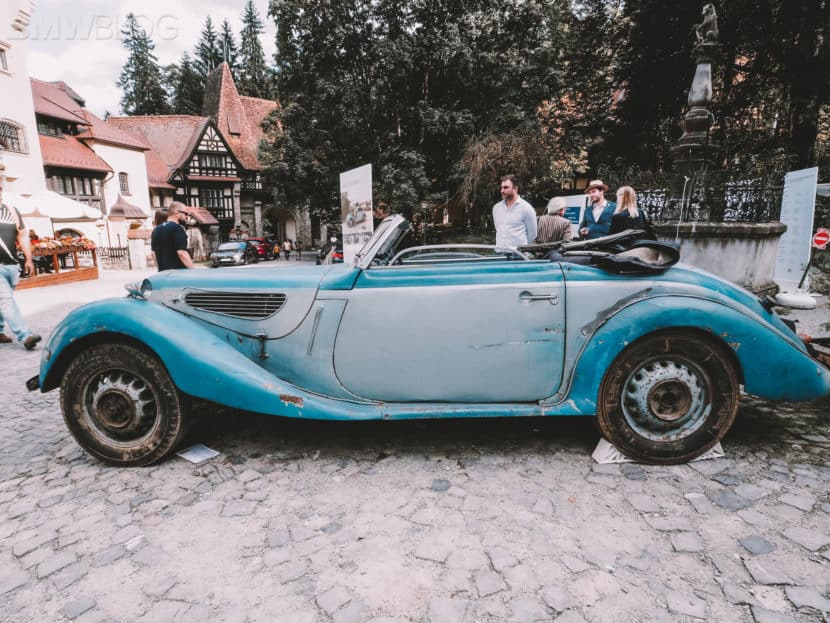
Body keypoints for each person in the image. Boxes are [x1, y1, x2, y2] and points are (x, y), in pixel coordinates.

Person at [0, 184, 42, 349]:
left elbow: (23, 236)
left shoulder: (11, 211)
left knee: (4, 300)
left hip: (12, 266)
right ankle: (25, 336)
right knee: (6, 300)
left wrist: (28, 259)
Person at [492, 174, 537, 248]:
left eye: (506, 187)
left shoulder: (527, 209)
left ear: (515, 188)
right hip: (499, 251)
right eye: (502, 187)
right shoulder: (496, 208)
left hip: (517, 253)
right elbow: (498, 229)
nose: (502, 191)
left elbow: (532, 235)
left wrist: (520, 248)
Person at [150, 202, 194, 271]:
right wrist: (193, 270)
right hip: (178, 273)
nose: (186, 217)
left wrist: (160, 270)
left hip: (163, 273)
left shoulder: (156, 230)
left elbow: (153, 254)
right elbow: (182, 253)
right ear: (177, 213)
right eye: (185, 214)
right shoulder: (178, 228)